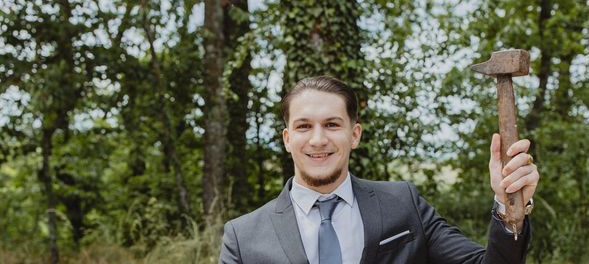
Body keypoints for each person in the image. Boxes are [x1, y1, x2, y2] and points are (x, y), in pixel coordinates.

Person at [219, 76, 539, 264]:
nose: (318, 139)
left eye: (332, 124)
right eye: (304, 127)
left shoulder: (403, 203)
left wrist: (508, 206)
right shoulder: (243, 237)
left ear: (354, 134)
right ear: (287, 139)